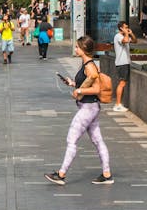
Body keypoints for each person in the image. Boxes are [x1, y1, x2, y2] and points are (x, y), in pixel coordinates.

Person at [45, 36, 113, 186]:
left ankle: (61, 174)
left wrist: (79, 90)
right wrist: (73, 84)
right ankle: (107, 173)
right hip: (90, 107)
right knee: (97, 140)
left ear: (83, 49)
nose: (75, 49)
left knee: (72, 139)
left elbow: (96, 89)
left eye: (77, 47)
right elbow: (86, 84)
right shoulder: (87, 64)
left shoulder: (90, 66)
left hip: (88, 108)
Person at [112, 21, 134, 112]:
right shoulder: (118, 36)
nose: (127, 28)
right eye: (125, 27)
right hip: (122, 63)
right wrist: (126, 34)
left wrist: (131, 34)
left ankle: (119, 103)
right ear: (121, 28)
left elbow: (135, 41)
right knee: (122, 83)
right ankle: (117, 104)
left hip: (126, 62)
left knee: (123, 83)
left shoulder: (125, 35)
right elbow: (125, 41)